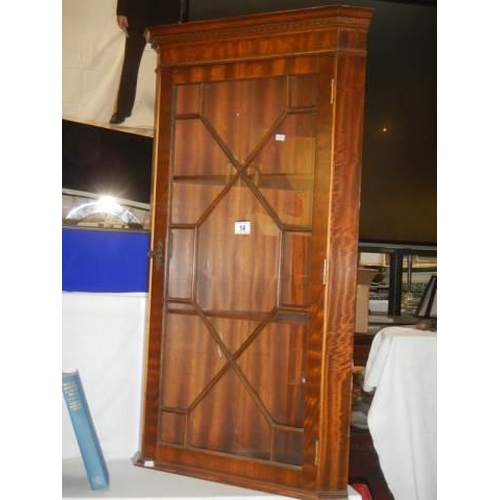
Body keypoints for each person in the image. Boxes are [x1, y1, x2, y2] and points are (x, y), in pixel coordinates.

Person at [109, 0, 186, 124]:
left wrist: (184, 13)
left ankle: (172, 110)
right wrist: (122, 11)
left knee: (170, 65)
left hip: (169, 12)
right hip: (138, 10)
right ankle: (123, 110)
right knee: (131, 62)